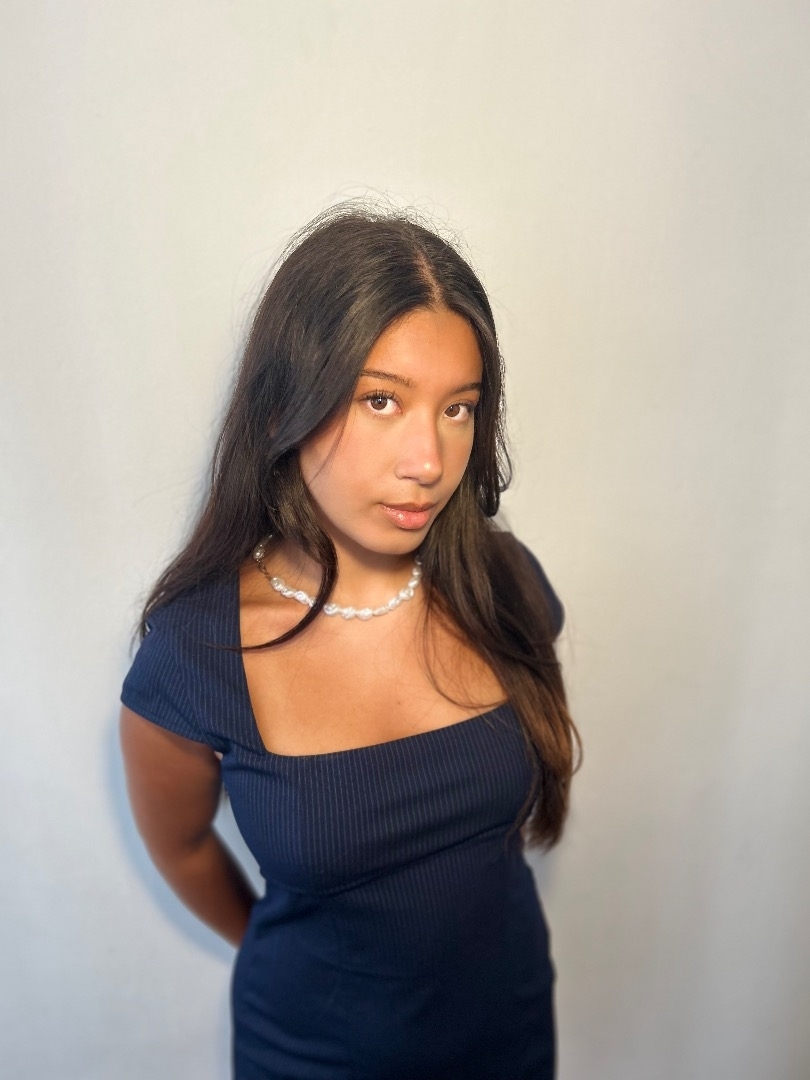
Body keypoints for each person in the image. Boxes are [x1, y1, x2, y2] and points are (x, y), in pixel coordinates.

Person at [119, 202, 581, 1080]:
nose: (428, 461)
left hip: (510, 1030)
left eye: (459, 409)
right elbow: (181, 848)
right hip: (313, 1056)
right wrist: (312, 965)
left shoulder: (505, 584)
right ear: (281, 407)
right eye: (381, 400)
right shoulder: (196, 654)